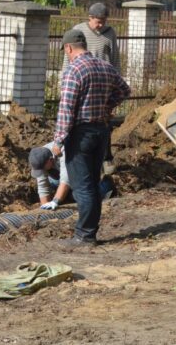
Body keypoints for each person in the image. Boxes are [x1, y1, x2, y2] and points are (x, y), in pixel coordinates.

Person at [53, 28, 130, 246]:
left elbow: (66, 108)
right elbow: (124, 90)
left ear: (69, 48)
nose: (66, 55)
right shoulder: (105, 66)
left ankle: (85, 236)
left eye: (65, 51)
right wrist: (107, 106)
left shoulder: (73, 70)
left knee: (83, 187)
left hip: (81, 135)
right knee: (93, 183)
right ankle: (89, 232)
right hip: (101, 132)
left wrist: (59, 140)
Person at [63, 2, 121, 170]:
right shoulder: (79, 31)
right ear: (90, 18)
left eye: (104, 20)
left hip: (103, 82)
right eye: (98, 21)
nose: (101, 24)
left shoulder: (110, 33)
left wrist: (115, 84)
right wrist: (65, 80)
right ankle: (78, 156)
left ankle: (106, 158)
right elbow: (68, 59)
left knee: (104, 120)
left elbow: (115, 59)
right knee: (80, 119)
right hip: (82, 80)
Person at [30, 142, 70, 210]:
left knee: (78, 195)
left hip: (81, 173)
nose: (42, 171)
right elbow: (42, 185)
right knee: (51, 182)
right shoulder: (39, 157)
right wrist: (45, 207)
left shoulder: (63, 152)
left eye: (43, 169)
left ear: (51, 160)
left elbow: (66, 180)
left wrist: (55, 202)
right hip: (59, 174)